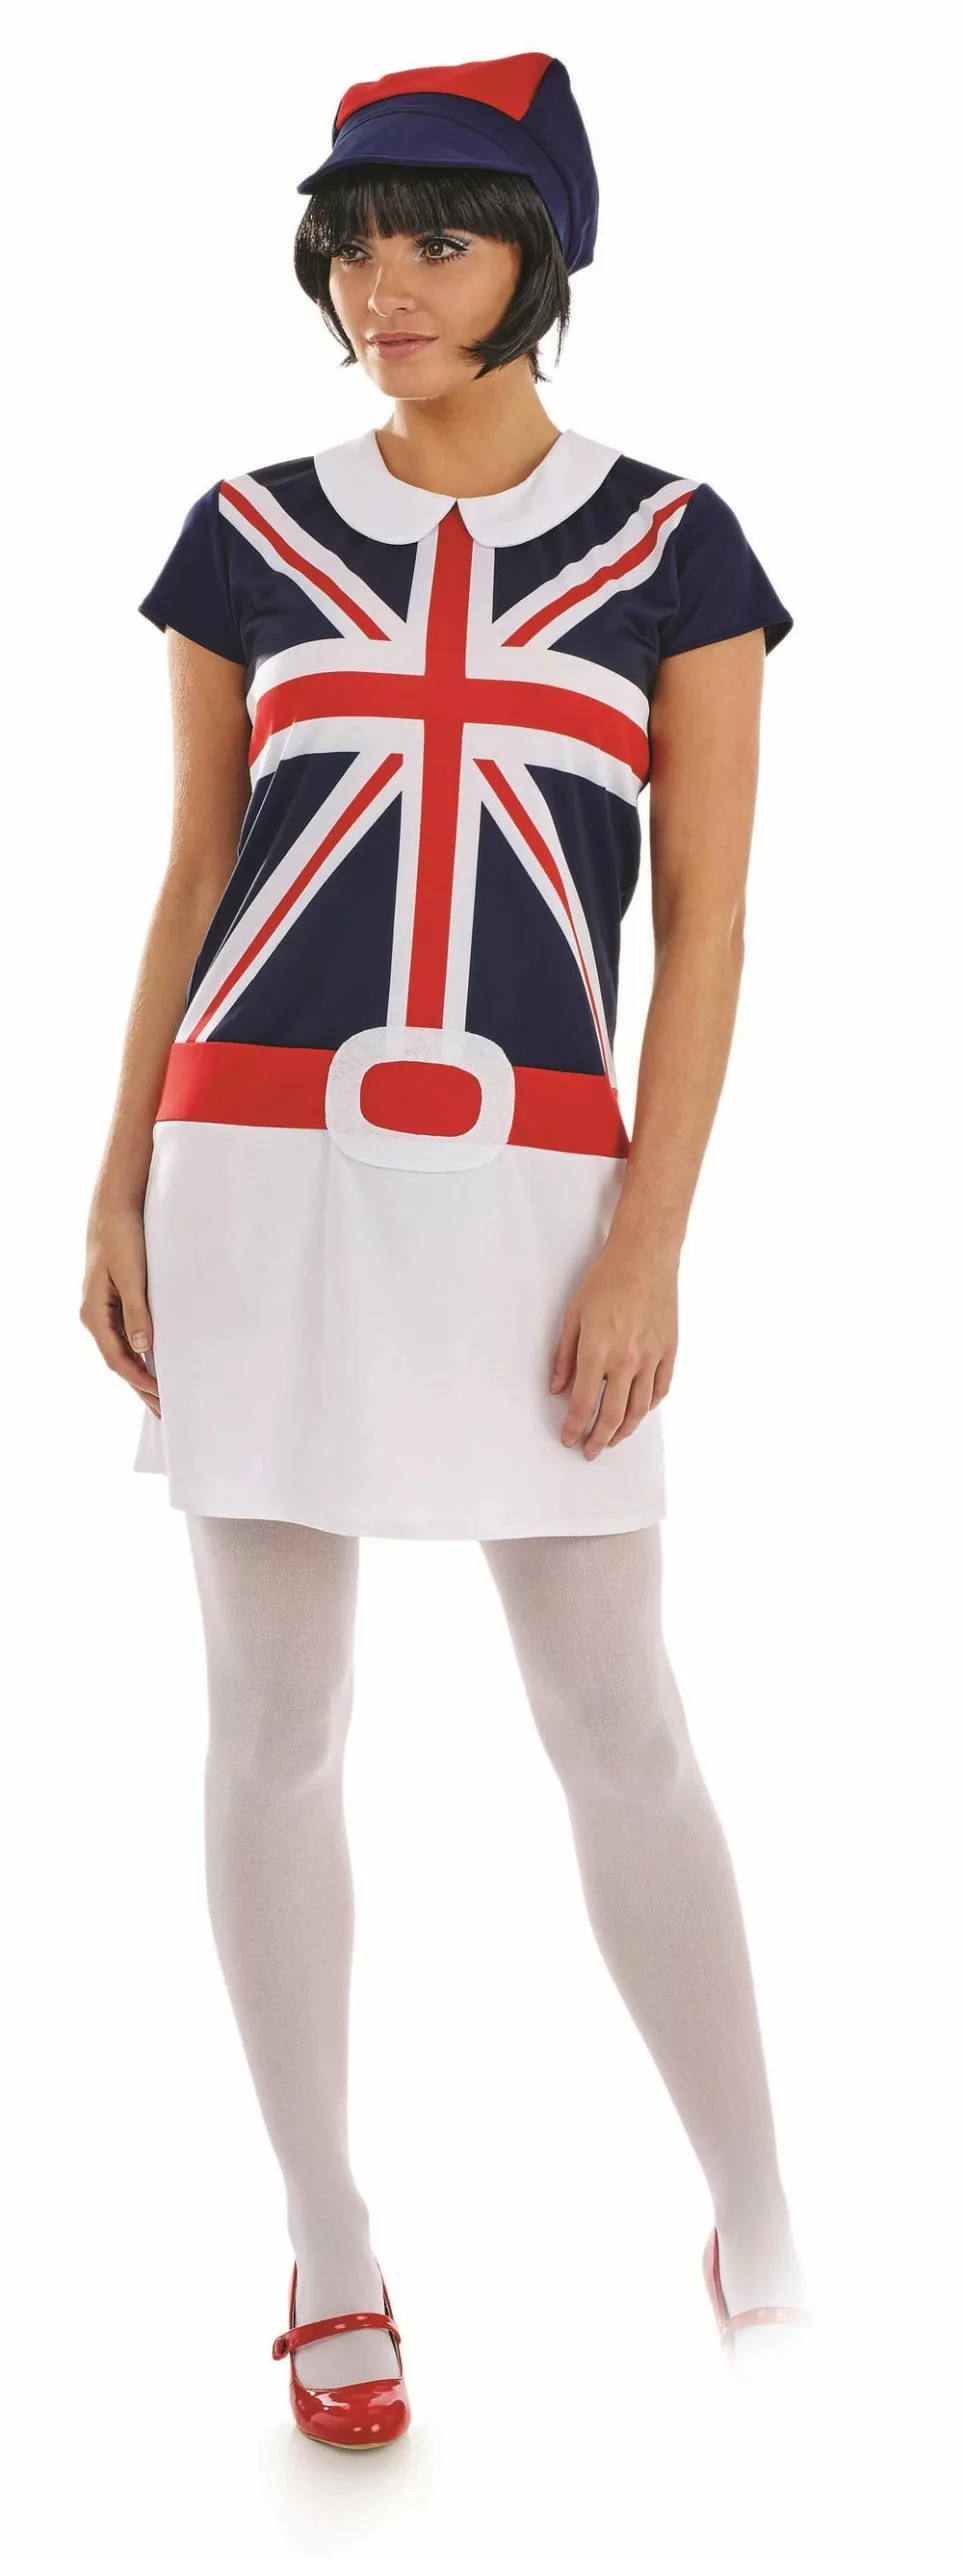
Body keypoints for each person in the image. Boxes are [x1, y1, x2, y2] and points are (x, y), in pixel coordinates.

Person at [80, 50, 815, 2445]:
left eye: (438, 240)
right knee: (272, 1721)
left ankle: (759, 2206)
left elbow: (703, 923)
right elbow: (194, 879)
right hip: (254, 1159)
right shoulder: (245, 535)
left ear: (535, 266)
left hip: (534, 1178)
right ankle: (327, 2232)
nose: (381, 286)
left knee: (619, 1715)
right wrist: (113, 1181)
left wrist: (648, 1242)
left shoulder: (673, 548)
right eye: (353, 243)